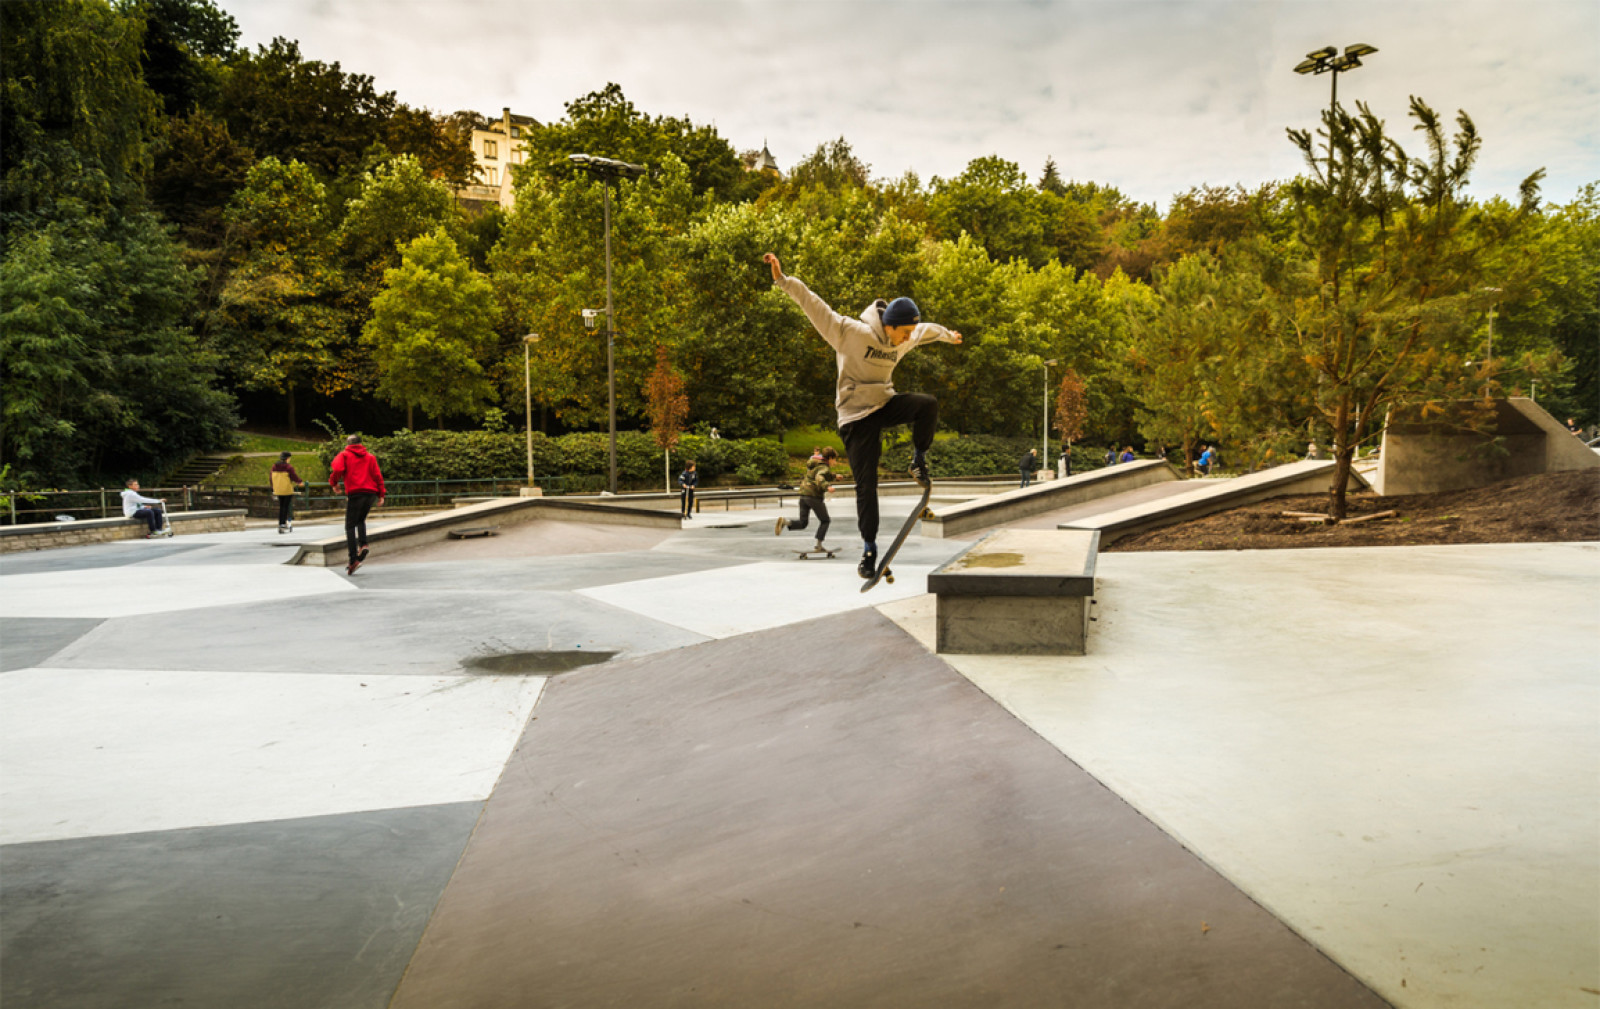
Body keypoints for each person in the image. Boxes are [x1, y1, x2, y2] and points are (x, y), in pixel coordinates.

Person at [764, 252, 963, 579]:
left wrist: (947, 335)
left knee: (927, 404)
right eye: (905, 332)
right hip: (855, 419)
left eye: (910, 334)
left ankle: (918, 459)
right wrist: (783, 281)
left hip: (883, 404)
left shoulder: (905, 338)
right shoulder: (850, 332)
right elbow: (814, 305)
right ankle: (869, 550)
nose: (908, 339)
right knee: (866, 484)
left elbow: (927, 330)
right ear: (890, 325)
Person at [329, 434, 385, 575]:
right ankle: (363, 544)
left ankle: (353, 559)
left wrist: (334, 483)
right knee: (360, 520)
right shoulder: (370, 457)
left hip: (356, 493)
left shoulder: (344, 455)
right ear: (361, 443)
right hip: (370, 493)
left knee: (349, 526)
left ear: (347, 444)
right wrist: (381, 494)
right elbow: (377, 475)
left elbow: (337, 469)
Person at [776, 446, 838, 550]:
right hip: (813, 497)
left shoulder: (815, 464)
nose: (835, 462)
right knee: (825, 520)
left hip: (803, 496)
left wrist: (835, 476)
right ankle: (819, 545)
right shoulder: (824, 468)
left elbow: (819, 474)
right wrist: (828, 486)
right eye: (835, 459)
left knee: (803, 523)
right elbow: (820, 477)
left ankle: (785, 522)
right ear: (830, 458)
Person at [269, 451, 305, 533]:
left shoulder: (274, 467)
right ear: (287, 458)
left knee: (282, 506)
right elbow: (293, 476)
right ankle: (284, 523)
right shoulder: (288, 467)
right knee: (286, 506)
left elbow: (271, 477)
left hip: (278, 489)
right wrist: (300, 482)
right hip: (287, 490)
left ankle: (281, 523)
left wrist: (273, 487)